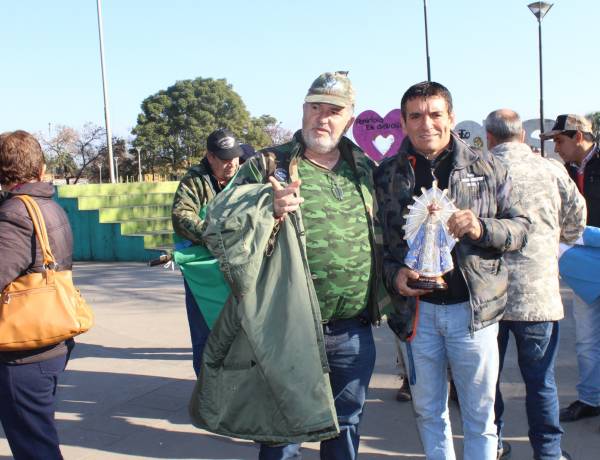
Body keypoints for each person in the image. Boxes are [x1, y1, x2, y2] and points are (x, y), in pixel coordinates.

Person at [375, 82, 529, 460]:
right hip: (417, 314)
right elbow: (378, 246)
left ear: (451, 118)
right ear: (405, 123)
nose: (426, 124)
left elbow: (522, 228)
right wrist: (394, 275)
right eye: (416, 116)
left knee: (479, 415)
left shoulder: (488, 166)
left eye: (435, 114)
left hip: (473, 314)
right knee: (428, 411)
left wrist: (482, 228)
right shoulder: (386, 175)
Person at [233, 71, 382, 459]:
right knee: (284, 431)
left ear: (350, 118)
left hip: (352, 329)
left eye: (334, 110)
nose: (323, 117)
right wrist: (266, 208)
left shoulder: (364, 167)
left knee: (346, 424)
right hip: (288, 328)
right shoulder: (268, 164)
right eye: (315, 107)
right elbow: (219, 222)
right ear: (302, 110)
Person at [485, 109, 585, 460]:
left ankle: (491, 444)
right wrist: (556, 242)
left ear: (489, 138)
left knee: (487, 380)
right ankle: (549, 452)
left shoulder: (477, 171)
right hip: (538, 296)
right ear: (523, 137)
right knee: (541, 381)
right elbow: (577, 217)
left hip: (489, 296)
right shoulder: (551, 169)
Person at [0, 130, 75, 459]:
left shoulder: (16, 214)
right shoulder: (49, 208)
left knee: (35, 447)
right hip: (48, 341)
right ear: (40, 169)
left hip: (23, 353)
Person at [540, 115, 600, 424]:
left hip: (589, 253)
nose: (556, 149)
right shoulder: (562, 174)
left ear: (578, 136)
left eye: (560, 141)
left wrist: (585, 235)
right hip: (581, 269)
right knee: (586, 339)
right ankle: (590, 398)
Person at [171, 128, 243, 376]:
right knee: (205, 332)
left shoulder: (244, 174)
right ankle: (207, 389)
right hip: (203, 269)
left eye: (234, 157)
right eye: (224, 159)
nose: (231, 164)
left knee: (241, 331)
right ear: (209, 157)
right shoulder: (195, 180)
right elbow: (181, 216)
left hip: (239, 266)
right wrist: (215, 235)